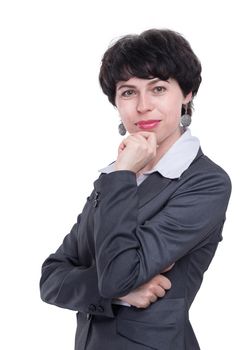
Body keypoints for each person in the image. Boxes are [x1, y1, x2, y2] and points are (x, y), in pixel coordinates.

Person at [40, 28, 231, 350]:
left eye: (158, 88)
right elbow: (51, 278)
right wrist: (118, 293)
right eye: (128, 92)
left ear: (187, 94)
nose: (143, 106)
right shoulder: (115, 177)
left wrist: (124, 173)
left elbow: (115, 275)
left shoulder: (204, 182)